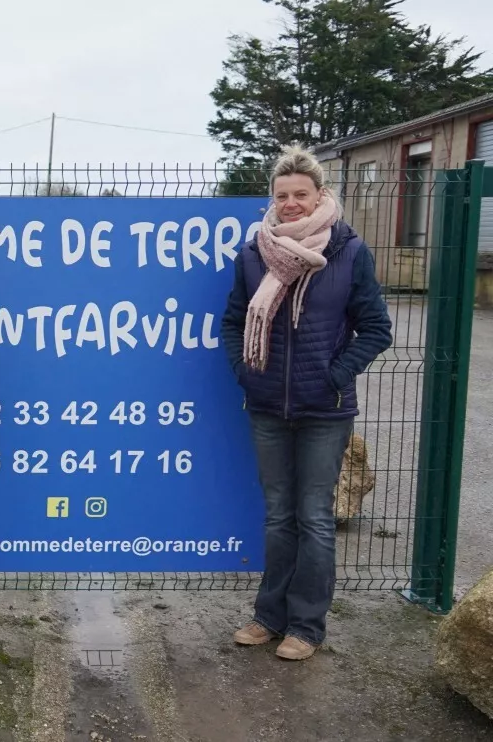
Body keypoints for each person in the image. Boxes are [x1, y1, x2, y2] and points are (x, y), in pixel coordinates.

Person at [221, 145, 393, 661]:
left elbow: (376, 329)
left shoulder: (347, 251)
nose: (292, 203)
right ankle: (268, 616)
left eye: (301, 194)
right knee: (278, 517)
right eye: (282, 194)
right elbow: (233, 322)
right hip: (268, 406)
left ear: (321, 194)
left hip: (326, 411)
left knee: (314, 517)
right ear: (272, 199)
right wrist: (245, 373)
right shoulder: (254, 252)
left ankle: (306, 627)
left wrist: (332, 376)